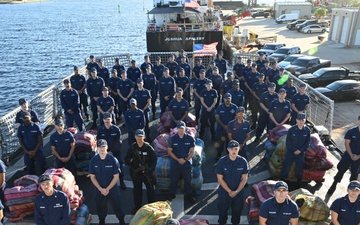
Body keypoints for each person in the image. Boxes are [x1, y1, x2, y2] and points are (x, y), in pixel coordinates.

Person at [89, 139, 126, 225]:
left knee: (117, 205)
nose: (102, 149)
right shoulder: (93, 161)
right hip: (99, 189)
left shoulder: (113, 160)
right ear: (97, 148)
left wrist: (107, 189)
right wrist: (100, 189)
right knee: (100, 207)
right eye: (100, 147)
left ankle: (121, 221)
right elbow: (92, 177)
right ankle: (102, 221)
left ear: (107, 147)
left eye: (103, 147)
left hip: (112, 189)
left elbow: (116, 177)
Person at [216, 140, 249, 225]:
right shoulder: (222, 161)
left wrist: (236, 191)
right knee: (222, 213)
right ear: (227, 149)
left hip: (238, 193)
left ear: (239, 149)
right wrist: (229, 191)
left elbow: (244, 179)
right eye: (231, 149)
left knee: (237, 213)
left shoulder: (243, 162)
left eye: (235, 149)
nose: (233, 151)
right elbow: (220, 179)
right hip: (224, 192)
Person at [125, 129, 157, 214]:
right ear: (135, 137)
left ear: (144, 137)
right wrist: (132, 160)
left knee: (150, 191)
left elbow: (154, 160)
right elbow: (126, 159)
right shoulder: (132, 147)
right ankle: (137, 208)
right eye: (138, 136)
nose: (139, 138)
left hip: (147, 173)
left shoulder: (148, 148)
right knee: (137, 192)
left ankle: (151, 208)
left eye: (141, 137)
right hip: (136, 173)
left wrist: (150, 169)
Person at [328, 115, 360, 194]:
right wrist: (351, 155)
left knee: (355, 176)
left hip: (358, 158)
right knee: (341, 170)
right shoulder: (351, 131)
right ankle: (334, 185)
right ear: (357, 121)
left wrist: (358, 156)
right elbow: (347, 143)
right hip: (348, 155)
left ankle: (352, 192)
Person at [167, 121, 196, 202]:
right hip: (175, 162)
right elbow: (169, 151)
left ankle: (189, 194)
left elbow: (192, 151)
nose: (180, 130)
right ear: (177, 129)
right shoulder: (172, 139)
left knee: (188, 179)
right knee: (174, 179)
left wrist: (185, 159)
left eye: (182, 128)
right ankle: (171, 194)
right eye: (179, 128)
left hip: (186, 162)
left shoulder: (190, 138)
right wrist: (178, 159)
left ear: (185, 128)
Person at [97, 112, 127, 190]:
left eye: (108, 119)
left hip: (115, 152)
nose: (107, 121)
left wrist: (112, 151)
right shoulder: (100, 130)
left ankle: (121, 181)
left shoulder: (116, 129)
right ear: (103, 120)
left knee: (118, 167)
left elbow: (119, 142)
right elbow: (99, 142)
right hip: (104, 153)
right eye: (105, 119)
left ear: (112, 119)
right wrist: (105, 152)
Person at [280, 113, 310, 187]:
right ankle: (281, 183)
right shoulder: (291, 129)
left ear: (305, 121)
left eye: (302, 120)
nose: (301, 122)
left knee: (299, 170)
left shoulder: (307, 130)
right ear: (296, 120)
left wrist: (300, 151)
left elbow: (307, 143)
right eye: (299, 120)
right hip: (290, 153)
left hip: (301, 154)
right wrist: (294, 150)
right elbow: (288, 142)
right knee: (286, 167)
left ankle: (299, 184)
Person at [215, 93, 238, 161]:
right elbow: (217, 117)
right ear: (224, 99)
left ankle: (229, 157)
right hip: (221, 129)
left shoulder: (234, 107)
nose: (227, 100)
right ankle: (218, 154)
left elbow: (236, 118)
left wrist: (230, 126)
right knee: (220, 144)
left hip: (230, 130)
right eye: (226, 98)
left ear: (231, 99)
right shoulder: (220, 107)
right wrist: (223, 125)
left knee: (230, 144)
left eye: (229, 98)